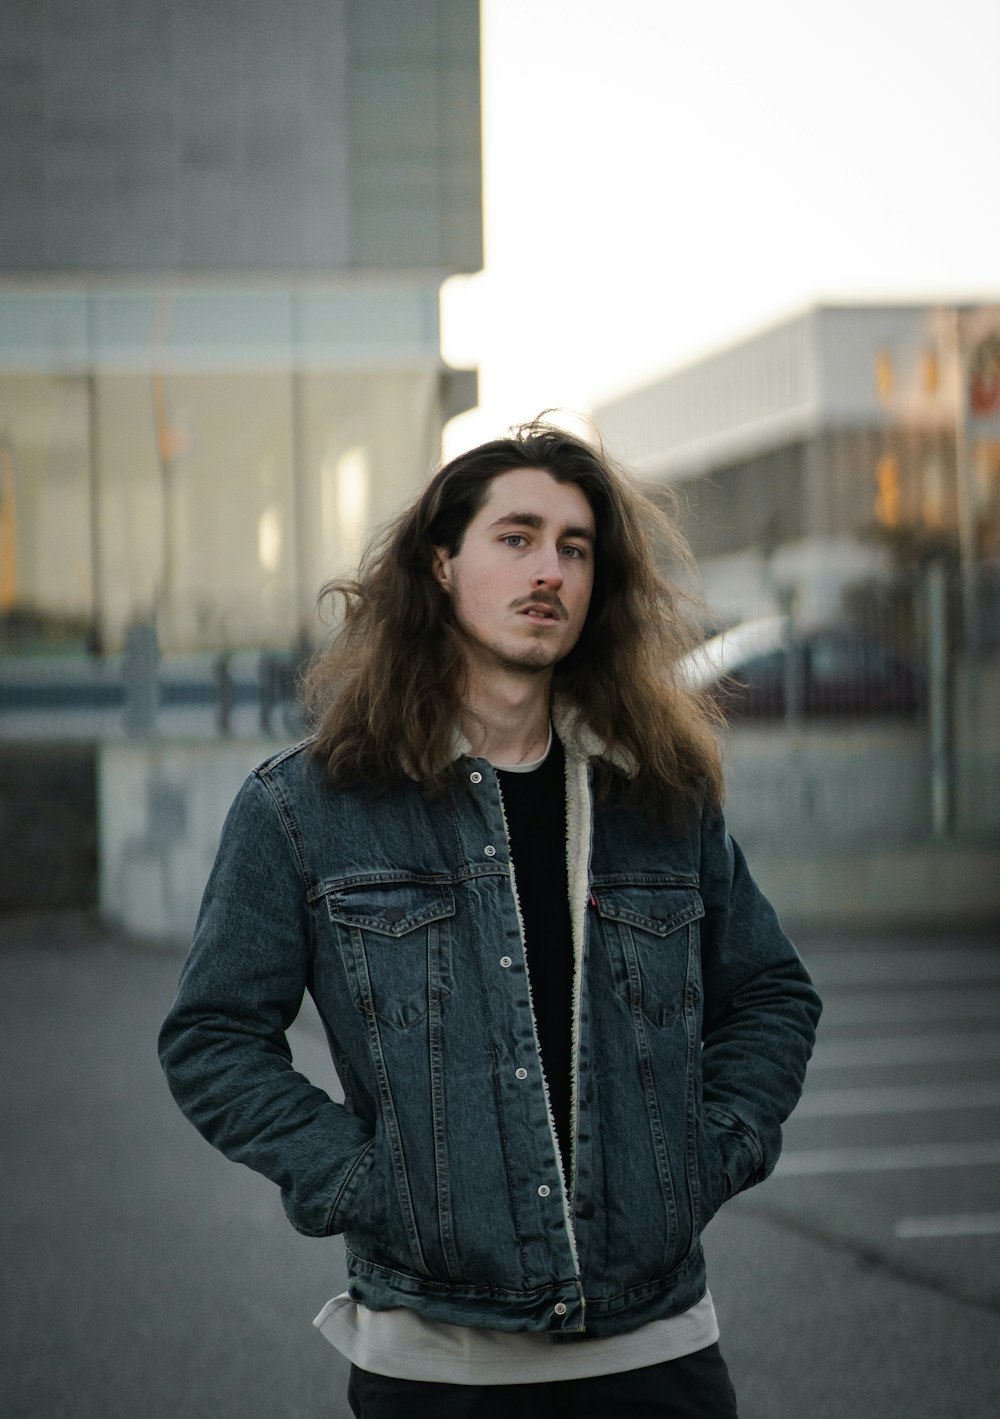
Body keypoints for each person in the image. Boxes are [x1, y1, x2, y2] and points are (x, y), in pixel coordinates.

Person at [159, 421, 822, 1417]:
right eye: (515, 538)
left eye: (573, 546)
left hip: (658, 1355)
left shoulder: (656, 800)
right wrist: (365, 1185)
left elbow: (771, 994)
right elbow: (212, 1039)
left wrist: (703, 1153)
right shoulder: (308, 808)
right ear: (439, 564)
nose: (547, 569)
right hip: (438, 1369)